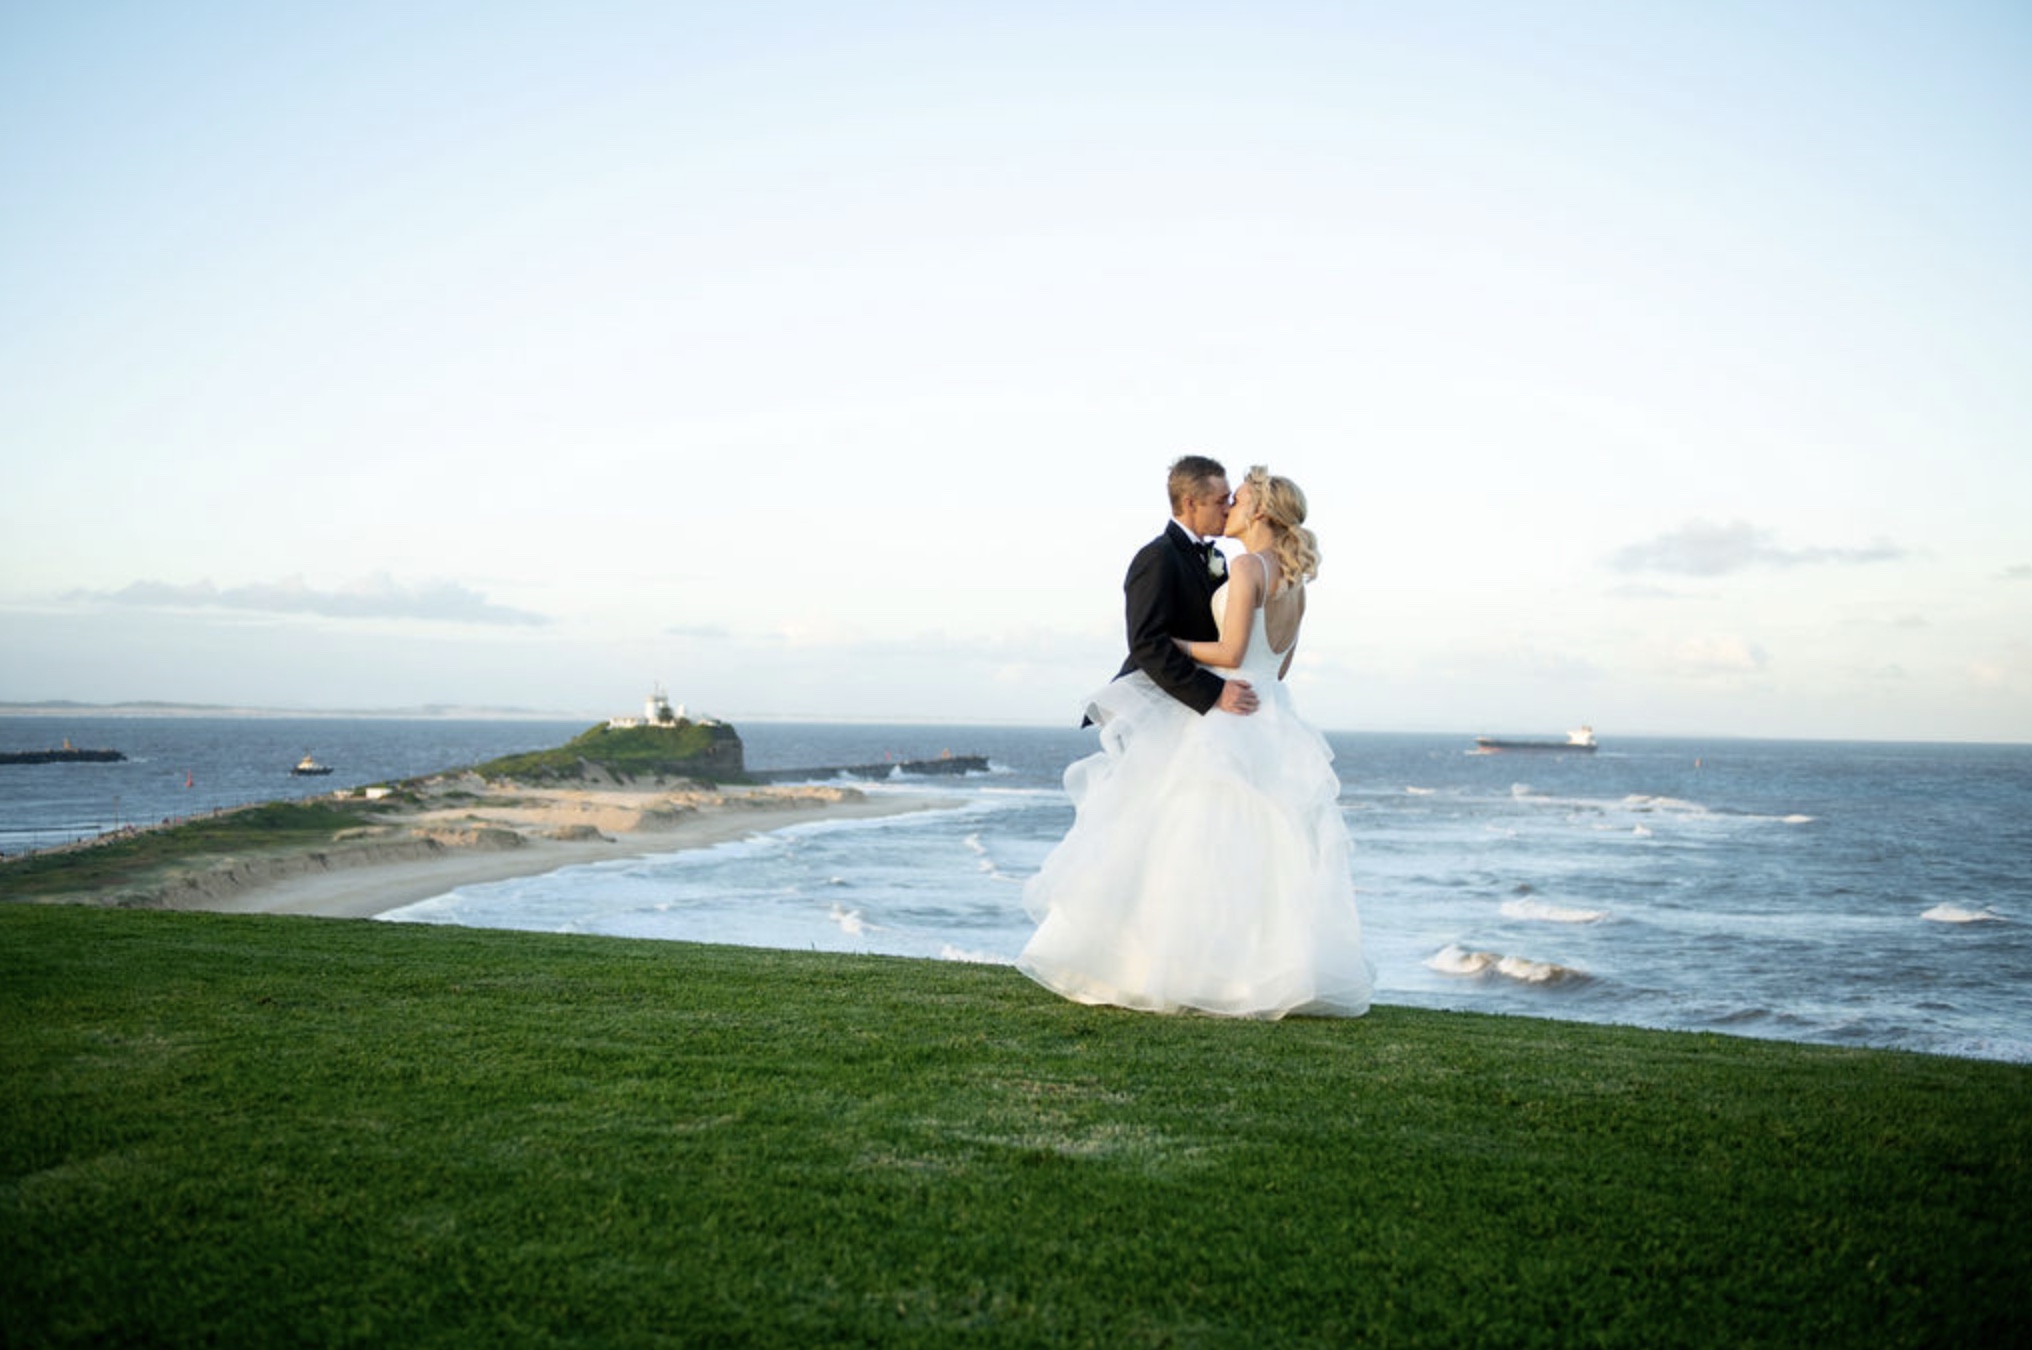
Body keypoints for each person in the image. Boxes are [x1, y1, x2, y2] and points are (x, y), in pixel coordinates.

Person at [1018, 463, 1373, 1019]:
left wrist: (1179, 645)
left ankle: (1175, 969)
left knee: (1188, 843)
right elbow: (1277, 667)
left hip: (1228, 713)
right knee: (1263, 852)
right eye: (1222, 498)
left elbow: (1228, 653)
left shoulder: (1245, 565)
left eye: (1238, 498)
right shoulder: (1291, 579)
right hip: (1270, 714)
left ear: (1259, 510)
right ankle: (1260, 973)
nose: (1230, 505)